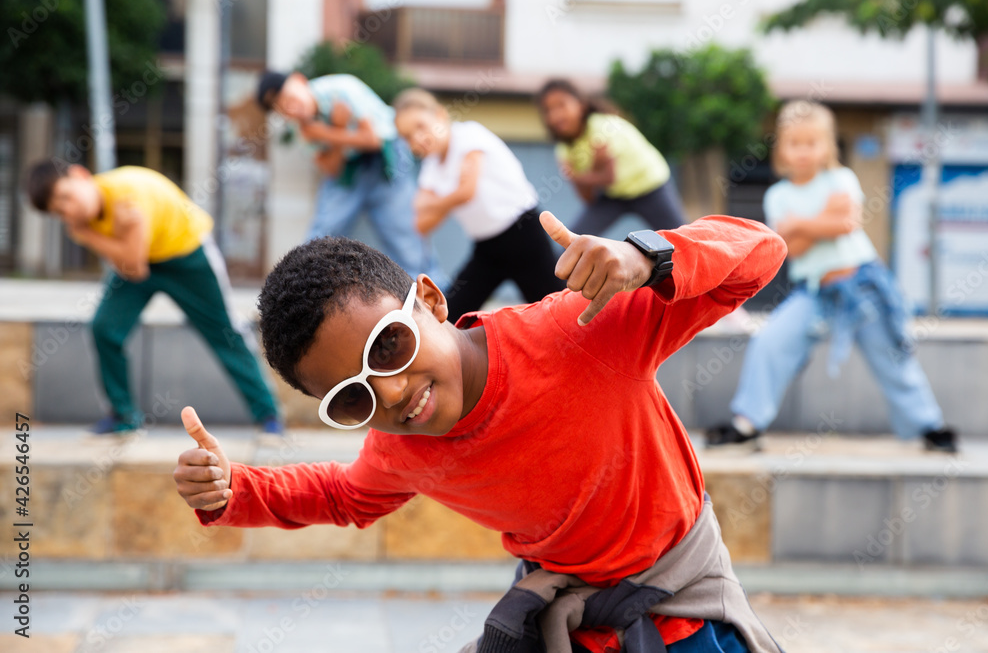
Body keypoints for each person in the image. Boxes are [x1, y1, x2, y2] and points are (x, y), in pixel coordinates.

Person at [173, 207, 789, 651]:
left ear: (432, 300)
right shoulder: (402, 448)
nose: (389, 391)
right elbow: (343, 495)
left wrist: (648, 255)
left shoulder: (581, 330)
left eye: (388, 345)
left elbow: (759, 253)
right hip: (561, 619)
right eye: (352, 398)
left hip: (684, 614)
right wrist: (235, 491)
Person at [705, 101, 957, 453]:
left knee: (892, 356)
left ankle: (929, 426)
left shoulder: (842, 179)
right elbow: (793, 249)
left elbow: (845, 224)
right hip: (814, 291)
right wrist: (821, 221)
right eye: (795, 143)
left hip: (862, 286)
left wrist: (800, 224)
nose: (804, 151)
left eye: (813, 142)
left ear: (828, 146)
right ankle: (746, 422)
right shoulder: (779, 195)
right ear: (782, 149)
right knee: (770, 343)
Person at [25, 162, 283, 435]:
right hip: (137, 259)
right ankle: (124, 416)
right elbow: (130, 263)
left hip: (187, 255)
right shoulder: (89, 214)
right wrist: (103, 238)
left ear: (80, 174)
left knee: (225, 332)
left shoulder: (128, 196)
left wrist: (87, 235)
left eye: (66, 197)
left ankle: (268, 414)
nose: (69, 211)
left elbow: (135, 268)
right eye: (59, 211)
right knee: (105, 328)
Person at [393, 88, 564, 323]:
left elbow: (467, 191)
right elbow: (421, 223)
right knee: (449, 316)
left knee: (556, 310)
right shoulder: (431, 167)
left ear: (441, 115)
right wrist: (452, 195)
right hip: (487, 249)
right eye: (408, 137)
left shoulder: (468, 135)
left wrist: (437, 201)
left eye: (420, 126)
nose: (417, 139)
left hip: (524, 235)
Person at [257, 70, 435, 279]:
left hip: (386, 159)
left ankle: (436, 298)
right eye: (282, 109)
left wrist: (325, 133)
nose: (291, 108)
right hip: (348, 171)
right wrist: (340, 129)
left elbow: (372, 140)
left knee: (406, 239)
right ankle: (303, 293)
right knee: (321, 235)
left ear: (299, 80)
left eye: (289, 98)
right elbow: (332, 168)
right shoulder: (300, 128)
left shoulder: (340, 89)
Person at [537, 78, 686, 236]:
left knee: (680, 239)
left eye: (562, 105)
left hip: (649, 186)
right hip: (613, 196)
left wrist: (578, 176)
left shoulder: (601, 127)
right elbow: (588, 198)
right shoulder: (564, 150)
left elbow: (609, 177)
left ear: (580, 105)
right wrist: (592, 171)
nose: (556, 115)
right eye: (548, 110)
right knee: (574, 241)